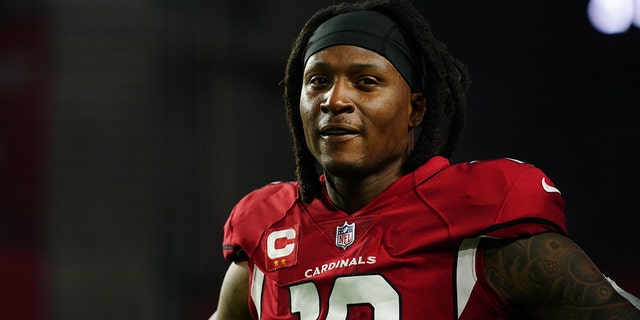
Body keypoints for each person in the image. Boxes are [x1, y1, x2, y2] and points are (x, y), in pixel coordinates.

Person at [210, 0, 640, 319]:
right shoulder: (266, 227)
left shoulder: (480, 216)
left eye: (366, 82)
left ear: (416, 109)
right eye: (318, 81)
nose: (335, 100)